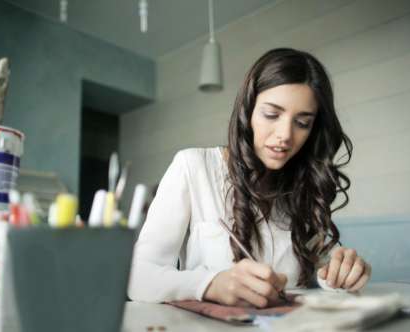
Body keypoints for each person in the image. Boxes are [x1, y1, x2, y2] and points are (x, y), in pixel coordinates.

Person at [128, 48, 371, 308]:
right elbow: (138, 277)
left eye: (302, 123)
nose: (285, 135)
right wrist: (210, 284)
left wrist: (344, 270)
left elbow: (325, 260)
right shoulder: (194, 166)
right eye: (272, 114)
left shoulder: (301, 188)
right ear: (248, 111)